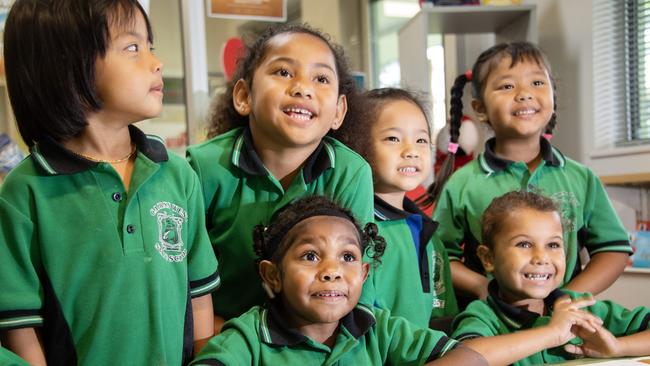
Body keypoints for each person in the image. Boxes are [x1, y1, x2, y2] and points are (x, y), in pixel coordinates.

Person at [0, 1, 220, 364]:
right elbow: (20, 327)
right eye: (133, 48)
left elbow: (198, 297)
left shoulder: (177, 176)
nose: (155, 62)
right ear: (67, 64)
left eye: (151, 46)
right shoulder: (25, 192)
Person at [186, 24, 374, 330]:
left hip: (315, 337)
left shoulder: (351, 173)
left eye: (321, 78)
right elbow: (184, 279)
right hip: (223, 337)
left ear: (339, 111)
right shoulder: (202, 168)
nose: (303, 87)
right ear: (244, 95)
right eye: (284, 72)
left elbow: (357, 287)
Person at [430, 42, 632, 305]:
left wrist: (567, 298)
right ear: (480, 108)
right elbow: (440, 255)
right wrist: (483, 287)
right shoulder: (463, 183)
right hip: (492, 326)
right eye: (506, 86)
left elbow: (613, 250)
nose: (524, 94)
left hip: (562, 323)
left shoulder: (581, 178)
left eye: (537, 83)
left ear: (553, 96)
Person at [190, 196, 488, 366]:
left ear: (363, 274)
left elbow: (469, 359)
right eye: (310, 256)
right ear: (273, 275)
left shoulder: (377, 328)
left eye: (347, 257)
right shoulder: (249, 337)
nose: (332, 271)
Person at [452, 191, 650, 364]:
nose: (542, 257)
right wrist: (552, 333)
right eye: (524, 244)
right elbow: (464, 360)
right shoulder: (483, 317)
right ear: (488, 258)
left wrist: (617, 347)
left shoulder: (581, 308)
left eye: (553, 245)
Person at [339, 88, 457, 330]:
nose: (411, 151)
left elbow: (441, 316)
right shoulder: (354, 231)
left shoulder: (428, 233)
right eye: (393, 138)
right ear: (357, 146)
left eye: (421, 140)